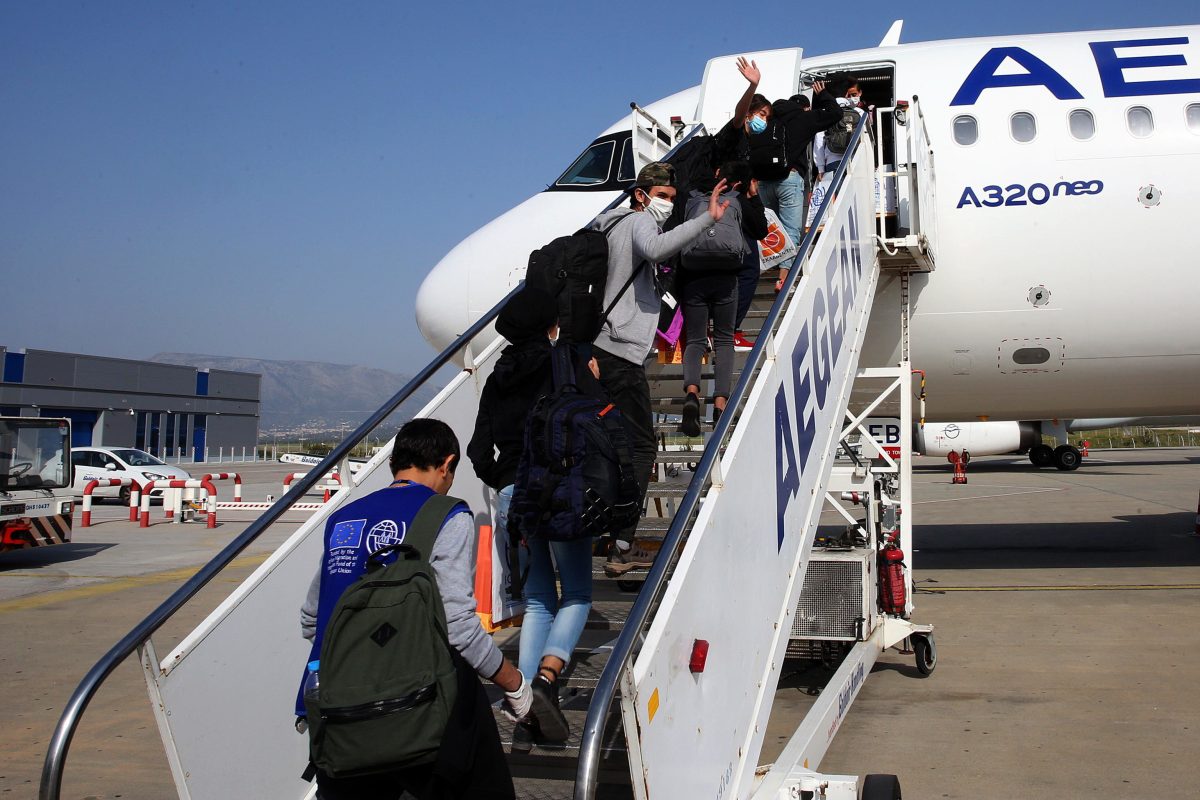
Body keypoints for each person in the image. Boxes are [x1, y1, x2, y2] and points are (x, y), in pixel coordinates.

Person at [300, 418, 527, 800]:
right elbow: (458, 627)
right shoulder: (446, 514)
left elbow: (312, 620)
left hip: (340, 712)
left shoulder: (344, 519)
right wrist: (514, 683)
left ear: (395, 463)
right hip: (421, 706)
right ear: (447, 464)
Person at [466, 285, 602, 750]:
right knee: (577, 593)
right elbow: (596, 420)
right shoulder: (564, 362)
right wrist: (595, 382)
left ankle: (523, 706)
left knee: (539, 599)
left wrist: (506, 480)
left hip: (515, 496)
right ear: (550, 327)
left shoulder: (497, 377)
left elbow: (478, 450)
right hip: (560, 490)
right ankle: (546, 678)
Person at [589, 161, 732, 576]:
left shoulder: (609, 226)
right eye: (662, 196)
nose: (667, 204)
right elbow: (656, 248)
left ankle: (598, 526)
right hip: (620, 352)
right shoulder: (637, 222)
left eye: (672, 197)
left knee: (608, 442)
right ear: (641, 195)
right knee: (641, 447)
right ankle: (621, 544)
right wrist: (707, 218)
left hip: (601, 348)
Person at [679, 160, 767, 434]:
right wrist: (753, 196)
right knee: (724, 340)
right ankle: (720, 406)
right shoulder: (738, 199)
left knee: (695, 340)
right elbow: (761, 230)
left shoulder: (692, 197)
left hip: (694, 277)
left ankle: (691, 395)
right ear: (742, 183)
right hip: (727, 278)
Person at [770, 80, 844, 284]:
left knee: (770, 226)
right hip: (790, 178)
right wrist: (824, 95)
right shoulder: (803, 119)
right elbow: (835, 113)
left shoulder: (772, 120)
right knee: (792, 228)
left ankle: (768, 263)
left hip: (765, 181)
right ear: (805, 108)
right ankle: (783, 277)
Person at [812, 74, 865, 182]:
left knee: (836, 192)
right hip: (855, 160)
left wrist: (820, 168)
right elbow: (865, 138)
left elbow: (819, 140)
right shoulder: (860, 113)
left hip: (832, 161)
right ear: (846, 94)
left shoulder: (825, 112)